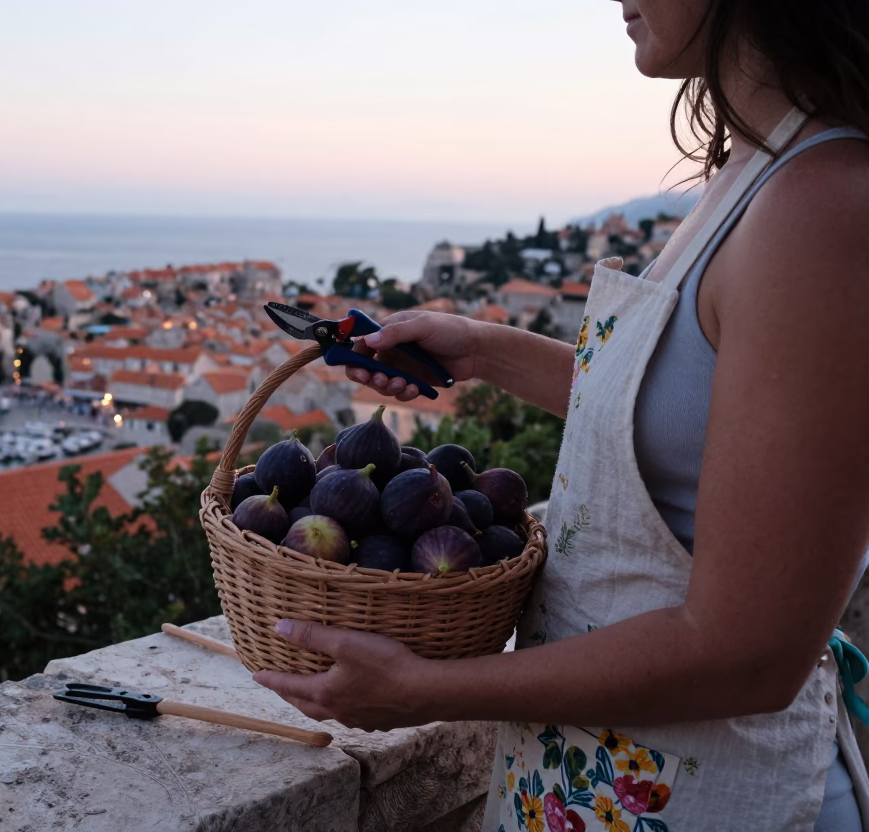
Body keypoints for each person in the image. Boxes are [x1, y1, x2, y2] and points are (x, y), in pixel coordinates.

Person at [252, 1, 869, 829]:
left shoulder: (822, 209)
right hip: (603, 784)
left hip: (708, 800)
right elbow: (679, 416)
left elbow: (750, 653)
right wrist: (482, 351)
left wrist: (423, 689)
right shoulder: (758, 171)